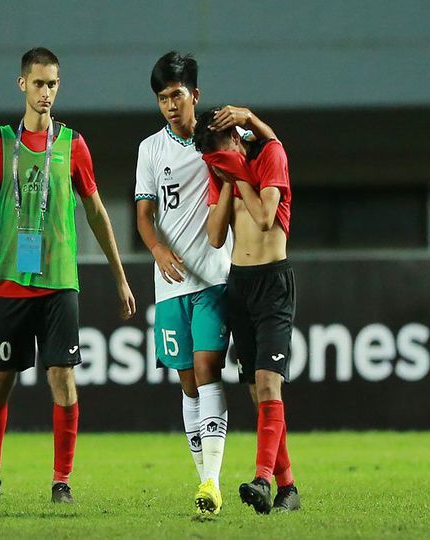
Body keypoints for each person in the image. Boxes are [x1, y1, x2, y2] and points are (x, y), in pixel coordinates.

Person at [0, 47, 136, 505]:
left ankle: (61, 482)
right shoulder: (0, 144)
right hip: (12, 278)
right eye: (38, 83)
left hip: (59, 281)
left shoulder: (74, 145)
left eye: (52, 84)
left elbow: (96, 213)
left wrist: (120, 276)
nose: (45, 92)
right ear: (21, 84)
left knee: (62, 378)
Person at [134, 52, 231, 515]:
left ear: (195, 93)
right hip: (170, 283)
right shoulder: (151, 149)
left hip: (214, 276)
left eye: (176, 94)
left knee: (208, 369)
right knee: (188, 381)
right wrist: (156, 249)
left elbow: (260, 159)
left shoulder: (219, 138)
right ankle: (204, 480)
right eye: (162, 98)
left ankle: (212, 482)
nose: (170, 104)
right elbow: (144, 216)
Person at [193, 105, 300, 513]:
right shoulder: (222, 172)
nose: (217, 164)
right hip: (239, 285)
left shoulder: (269, 156)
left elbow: (266, 216)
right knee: (258, 393)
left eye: (222, 155)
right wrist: (223, 183)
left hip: (273, 282)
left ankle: (263, 480)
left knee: (269, 384)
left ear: (237, 140)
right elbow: (217, 236)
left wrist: (237, 175)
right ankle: (289, 487)